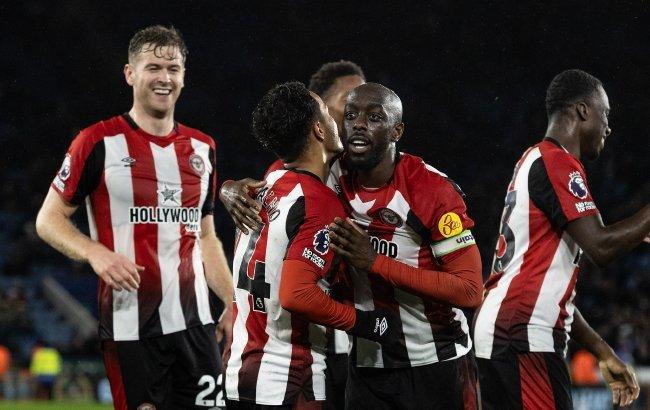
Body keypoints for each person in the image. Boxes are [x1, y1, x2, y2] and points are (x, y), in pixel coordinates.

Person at [223, 83, 483, 409]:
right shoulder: (327, 173)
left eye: (374, 117)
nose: (358, 124)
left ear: (397, 131)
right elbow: (277, 178)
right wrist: (229, 189)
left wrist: (375, 262)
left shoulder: (432, 190)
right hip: (365, 363)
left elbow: (470, 290)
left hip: (436, 362)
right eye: (350, 116)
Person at [35, 25, 233, 409]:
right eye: (153, 67)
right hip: (131, 329)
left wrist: (231, 300)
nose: (164, 78)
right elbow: (48, 219)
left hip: (195, 325)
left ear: (184, 76)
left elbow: (206, 237)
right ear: (130, 73)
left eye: (173, 68)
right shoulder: (96, 142)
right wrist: (95, 253)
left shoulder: (203, 148)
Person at [472, 69, 647, 409]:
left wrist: (602, 351)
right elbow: (601, 247)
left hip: (508, 330)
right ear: (583, 110)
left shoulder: (534, 160)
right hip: (522, 334)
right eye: (605, 114)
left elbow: (550, 292)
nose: (608, 127)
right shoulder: (556, 162)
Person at [224, 81, 398, 409]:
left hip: (241, 371)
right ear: (319, 129)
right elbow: (297, 294)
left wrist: (227, 186)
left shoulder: (265, 186)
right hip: (288, 379)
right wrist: (368, 323)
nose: (337, 122)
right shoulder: (318, 201)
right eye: (328, 116)